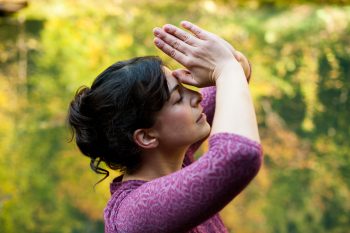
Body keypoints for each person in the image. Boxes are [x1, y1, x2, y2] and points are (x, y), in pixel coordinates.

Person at [68, 21, 262, 233]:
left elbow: (236, 75)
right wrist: (226, 69)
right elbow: (239, 154)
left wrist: (231, 64)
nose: (196, 96)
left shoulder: (174, 155)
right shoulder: (134, 215)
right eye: (179, 97)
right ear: (146, 136)